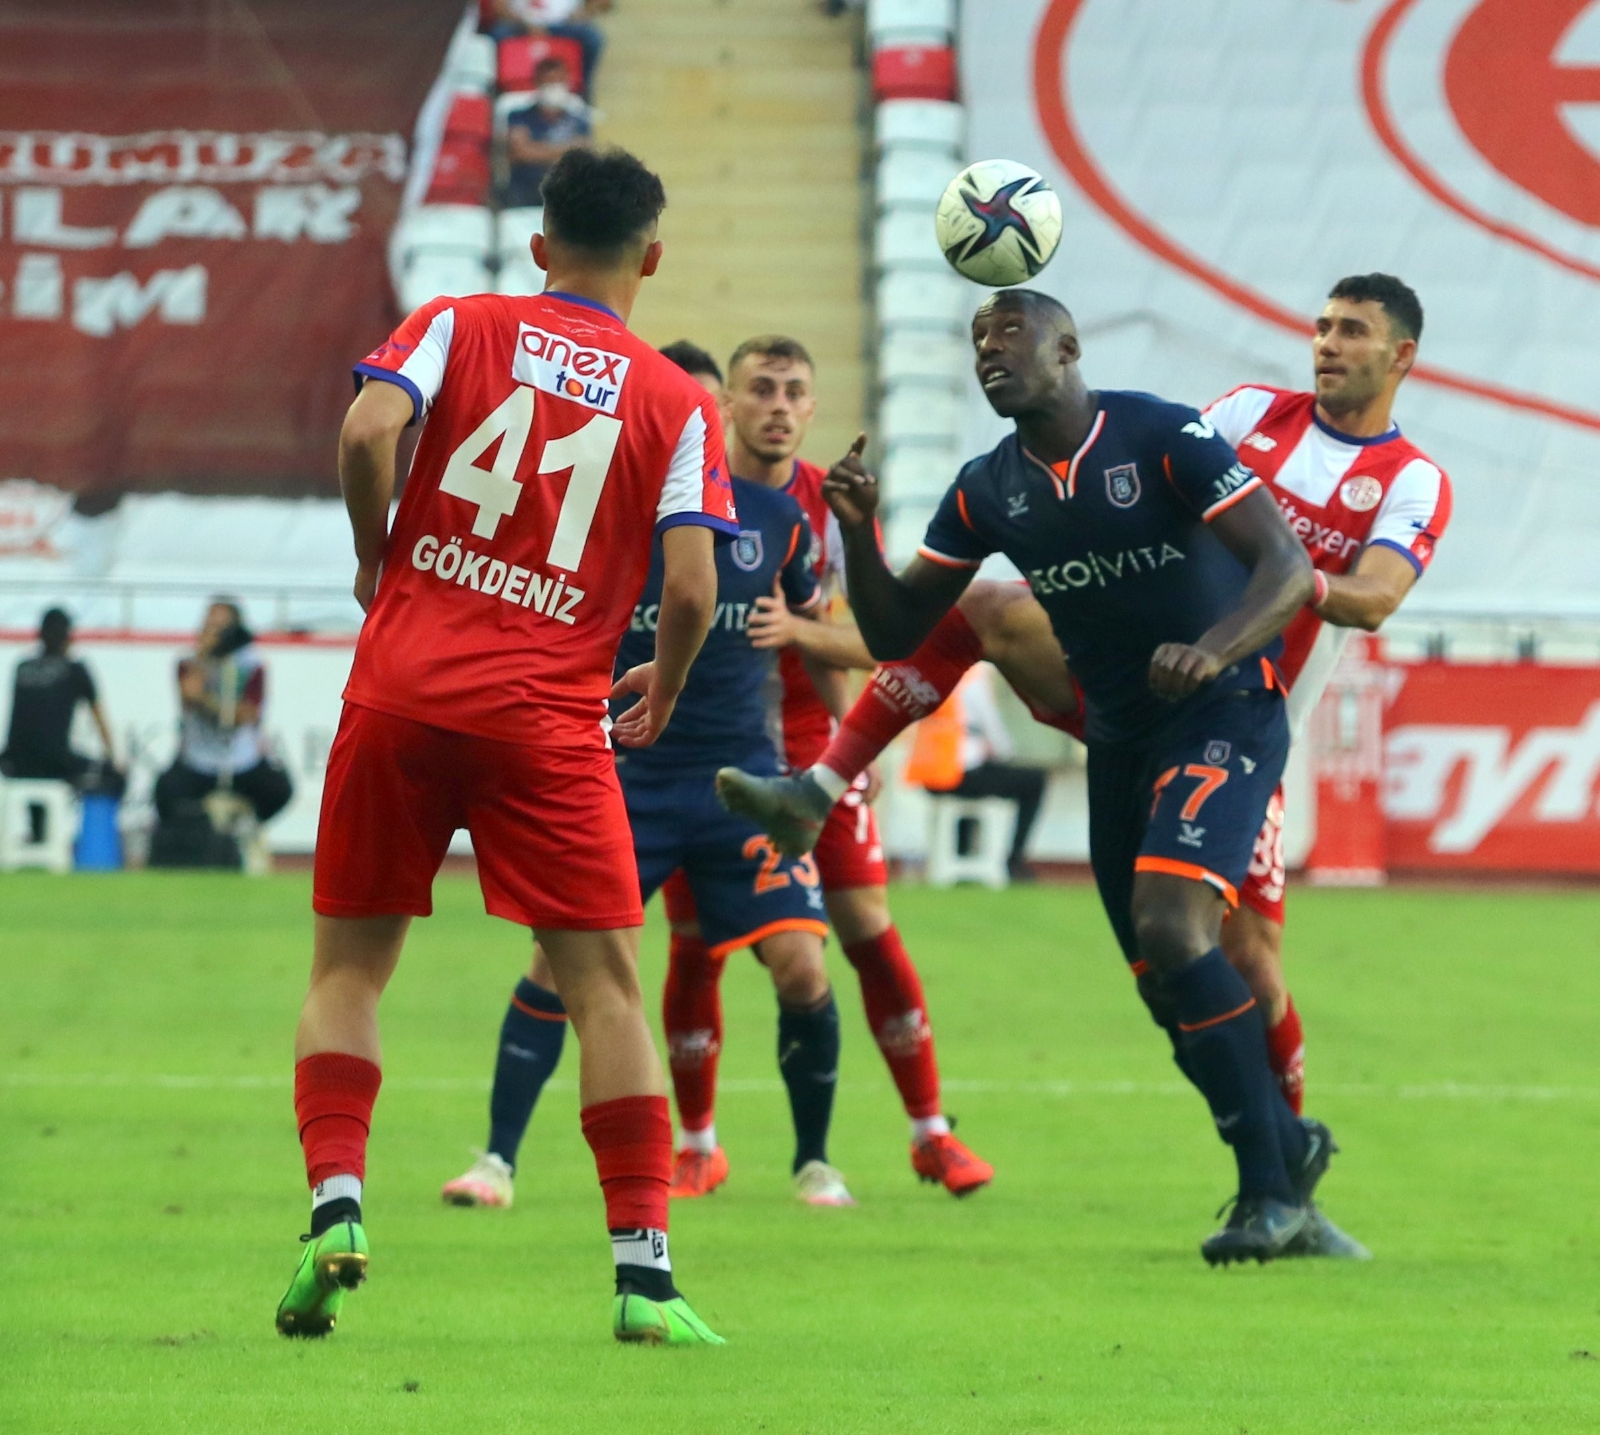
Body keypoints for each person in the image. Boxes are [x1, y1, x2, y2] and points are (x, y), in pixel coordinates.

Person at [726, 275, 1449, 1147]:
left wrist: (1283, 568)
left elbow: (1372, 598)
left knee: (1244, 965)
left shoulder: (1410, 480)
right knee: (987, 609)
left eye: (1354, 332)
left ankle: (1286, 1144)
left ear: (1401, 356)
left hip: (1237, 712)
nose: (1328, 343)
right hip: (1126, 674)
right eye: (1323, 325)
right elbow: (1141, 476)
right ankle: (823, 781)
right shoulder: (1248, 414)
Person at [275, 147, 736, 1347]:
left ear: (538, 248)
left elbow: (369, 429)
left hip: (404, 693)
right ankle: (644, 1275)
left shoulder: (455, 321)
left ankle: (336, 1208)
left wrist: (378, 556)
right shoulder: (679, 400)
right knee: (603, 989)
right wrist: (668, 684)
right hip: (547, 720)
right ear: (651, 255)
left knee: (349, 970)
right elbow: (690, 589)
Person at [441, 338, 861, 1212]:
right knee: (561, 968)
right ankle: (496, 1162)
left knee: (803, 969)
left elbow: (817, 636)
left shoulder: (778, 521)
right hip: (621, 783)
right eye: (695, 405)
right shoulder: (604, 511)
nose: (704, 421)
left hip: (741, 783)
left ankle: (815, 1162)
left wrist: (845, 749)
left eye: (714, 406)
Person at [674, 333, 996, 1199]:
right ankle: (697, 1141)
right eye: (763, 390)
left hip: (813, 745)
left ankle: (929, 1131)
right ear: (730, 404)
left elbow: (879, 636)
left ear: (812, 408)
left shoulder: (826, 504)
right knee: (697, 945)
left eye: (795, 392)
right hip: (708, 749)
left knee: (864, 927)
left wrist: (850, 731)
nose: (780, 407)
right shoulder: (690, 490)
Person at [902, 663, 1049, 883]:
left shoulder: (933, 675)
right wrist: (1002, 751)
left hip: (931, 774)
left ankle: (962, 852)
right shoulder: (974, 681)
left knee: (981, 777)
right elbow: (996, 736)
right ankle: (1014, 859)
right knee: (1034, 781)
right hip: (960, 773)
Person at [153, 600, 292, 828]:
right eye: (208, 627)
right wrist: (204, 654)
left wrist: (209, 702)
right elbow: (190, 693)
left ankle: (245, 828)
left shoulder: (252, 665)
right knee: (166, 794)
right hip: (198, 758)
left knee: (279, 790)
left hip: (241, 758)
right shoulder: (188, 662)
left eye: (221, 629)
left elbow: (244, 716)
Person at [0, 607, 124, 799]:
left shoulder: (22, 668)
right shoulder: (76, 670)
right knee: (112, 775)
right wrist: (114, 760)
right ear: (68, 638)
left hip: (13, 763)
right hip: (56, 764)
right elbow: (100, 721)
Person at [503, 57, 592, 209]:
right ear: (537, 83)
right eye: (549, 81)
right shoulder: (518, 116)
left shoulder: (579, 120)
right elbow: (520, 153)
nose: (554, 86)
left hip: (566, 195)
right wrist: (565, 149)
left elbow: (581, 157)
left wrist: (535, 148)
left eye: (558, 81)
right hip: (525, 193)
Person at [483, 0, 610, 99]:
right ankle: (495, 93)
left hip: (563, 24)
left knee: (592, 38)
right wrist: (522, 21)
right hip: (519, 23)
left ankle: (582, 91)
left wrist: (582, 13)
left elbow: (601, 4)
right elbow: (499, 5)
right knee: (494, 38)